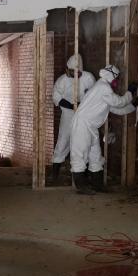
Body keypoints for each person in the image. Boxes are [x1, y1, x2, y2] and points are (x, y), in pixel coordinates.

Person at [69, 65, 138, 194]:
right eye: (116, 79)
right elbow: (118, 102)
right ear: (111, 76)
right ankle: (81, 187)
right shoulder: (103, 87)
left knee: (95, 155)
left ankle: (97, 184)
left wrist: (132, 106)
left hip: (91, 126)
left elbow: (115, 109)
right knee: (80, 153)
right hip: (82, 124)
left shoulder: (102, 89)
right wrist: (129, 93)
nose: (116, 82)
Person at [50, 54, 96, 182]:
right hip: (68, 114)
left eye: (72, 71)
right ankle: (54, 174)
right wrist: (70, 106)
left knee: (84, 141)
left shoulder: (88, 78)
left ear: (79, 70)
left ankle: (84, 175)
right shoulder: (62, 80)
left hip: (84, 115)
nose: (69, 73)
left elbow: (93, 96)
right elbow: (56, 97)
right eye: (69, 70)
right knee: (63, 140)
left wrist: (82, 106)